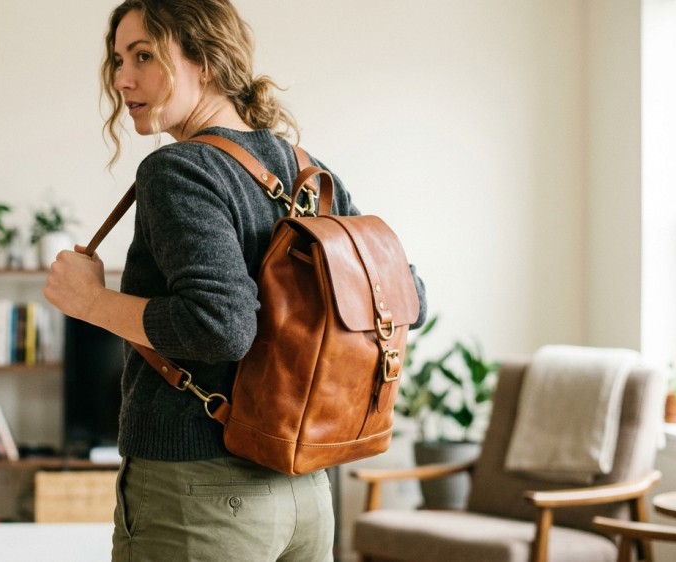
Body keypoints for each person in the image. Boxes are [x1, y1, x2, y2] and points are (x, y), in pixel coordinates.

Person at [44, 1, 426, 560]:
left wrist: (91, 302)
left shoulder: (179, 168)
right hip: (306, 491)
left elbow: (219, 328)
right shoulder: (307, 172)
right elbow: (406, 294)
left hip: (197, 491)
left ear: (205, 60)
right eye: (118, 59)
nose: (122, 79)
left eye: (144, 56)